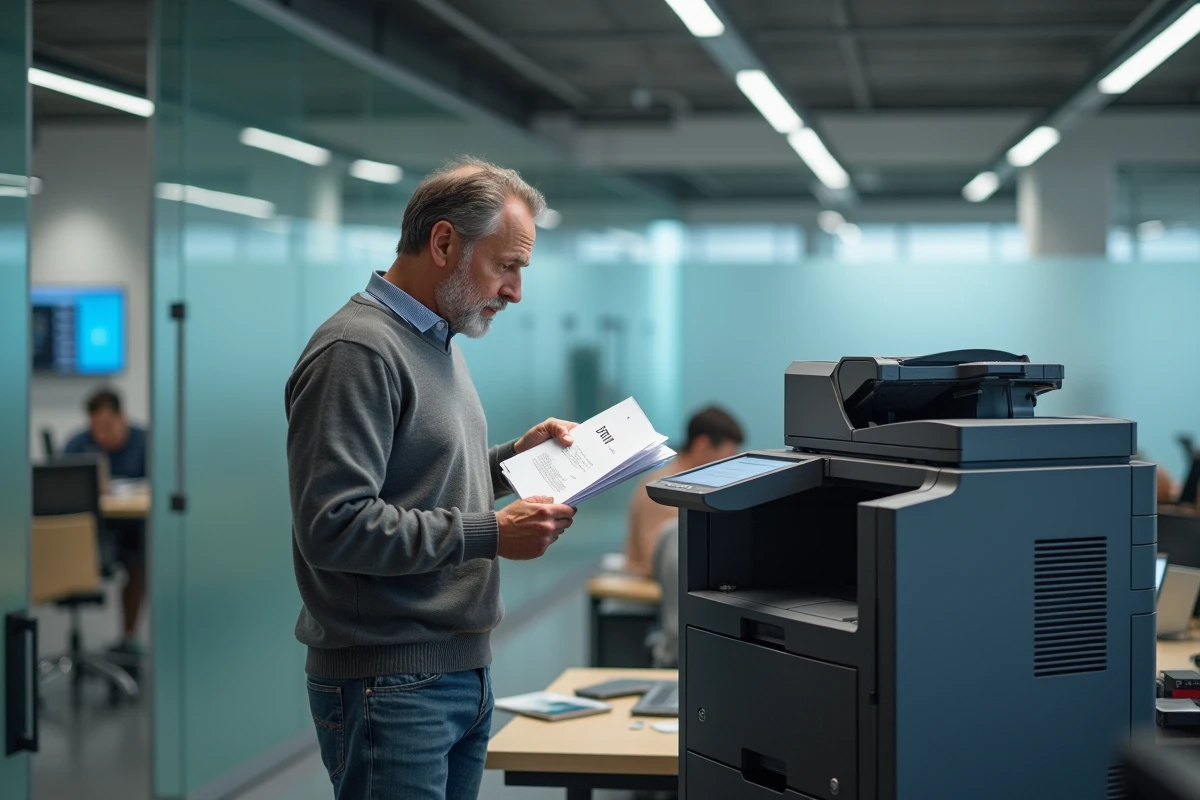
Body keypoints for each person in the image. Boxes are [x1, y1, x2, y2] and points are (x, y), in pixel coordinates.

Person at [286, 157, 580, 800]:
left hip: (456, 672)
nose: (515, 291)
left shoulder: (434, 340)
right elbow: (334, 526)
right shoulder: (357, 351)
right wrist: (491, 534)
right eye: (507, 266)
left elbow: (420, 479)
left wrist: (514, 458)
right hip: (390, 681)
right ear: (444, 243)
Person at [63, 388, 148, 653]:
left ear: (122, 417)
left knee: (141, 562)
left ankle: (129, 637)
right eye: (95, 427)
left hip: (131, 529)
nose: (100, 435)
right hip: (89, 532)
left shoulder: (145, 442)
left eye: (107, 426)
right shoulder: (78, 444)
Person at [624, 406, 744, 578]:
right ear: (702, 446)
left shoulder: (696, 485)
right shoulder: (663, 489)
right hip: (657, 588)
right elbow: (657, 561)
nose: (730, 465)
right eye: (727, 456)